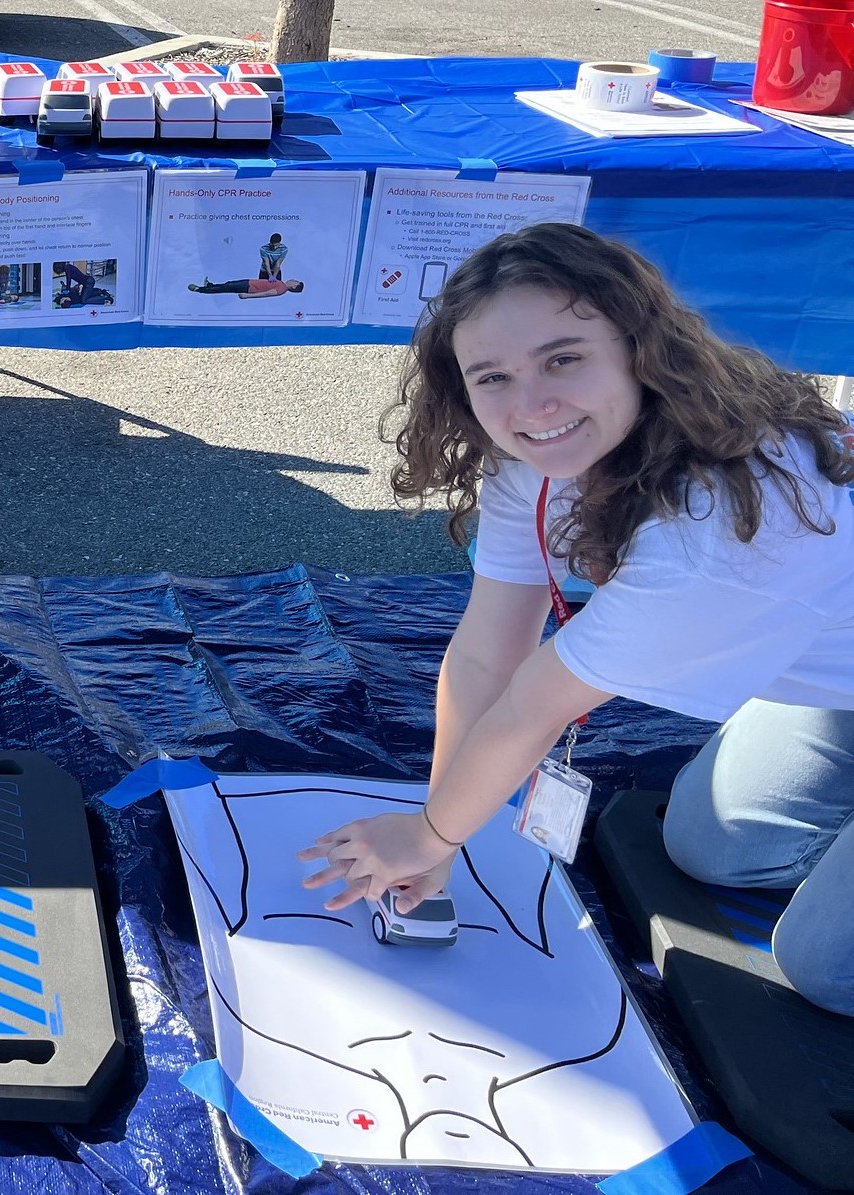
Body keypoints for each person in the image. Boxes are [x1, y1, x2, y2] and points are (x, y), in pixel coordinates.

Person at [298, 222, 854, 1015]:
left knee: (824, 967)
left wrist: (429, 835)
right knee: (709, 849)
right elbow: (488, 654)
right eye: (492, 376)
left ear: (638, 347)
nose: (531, 405)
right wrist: (439, 830)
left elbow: (534, 703)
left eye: (562, 358)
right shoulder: (535, 452)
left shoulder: (713, 535)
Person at [188, 276, 303, 298]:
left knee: (226, 288)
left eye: (296, 282)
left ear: (294, 287)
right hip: (249, 282)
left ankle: (199, 289)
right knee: (228, 284)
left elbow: (266, 294)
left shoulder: (282, 289)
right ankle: (209, 285)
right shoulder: (281, 283)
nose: (294, 279)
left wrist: (247, 296)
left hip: (249, 287)